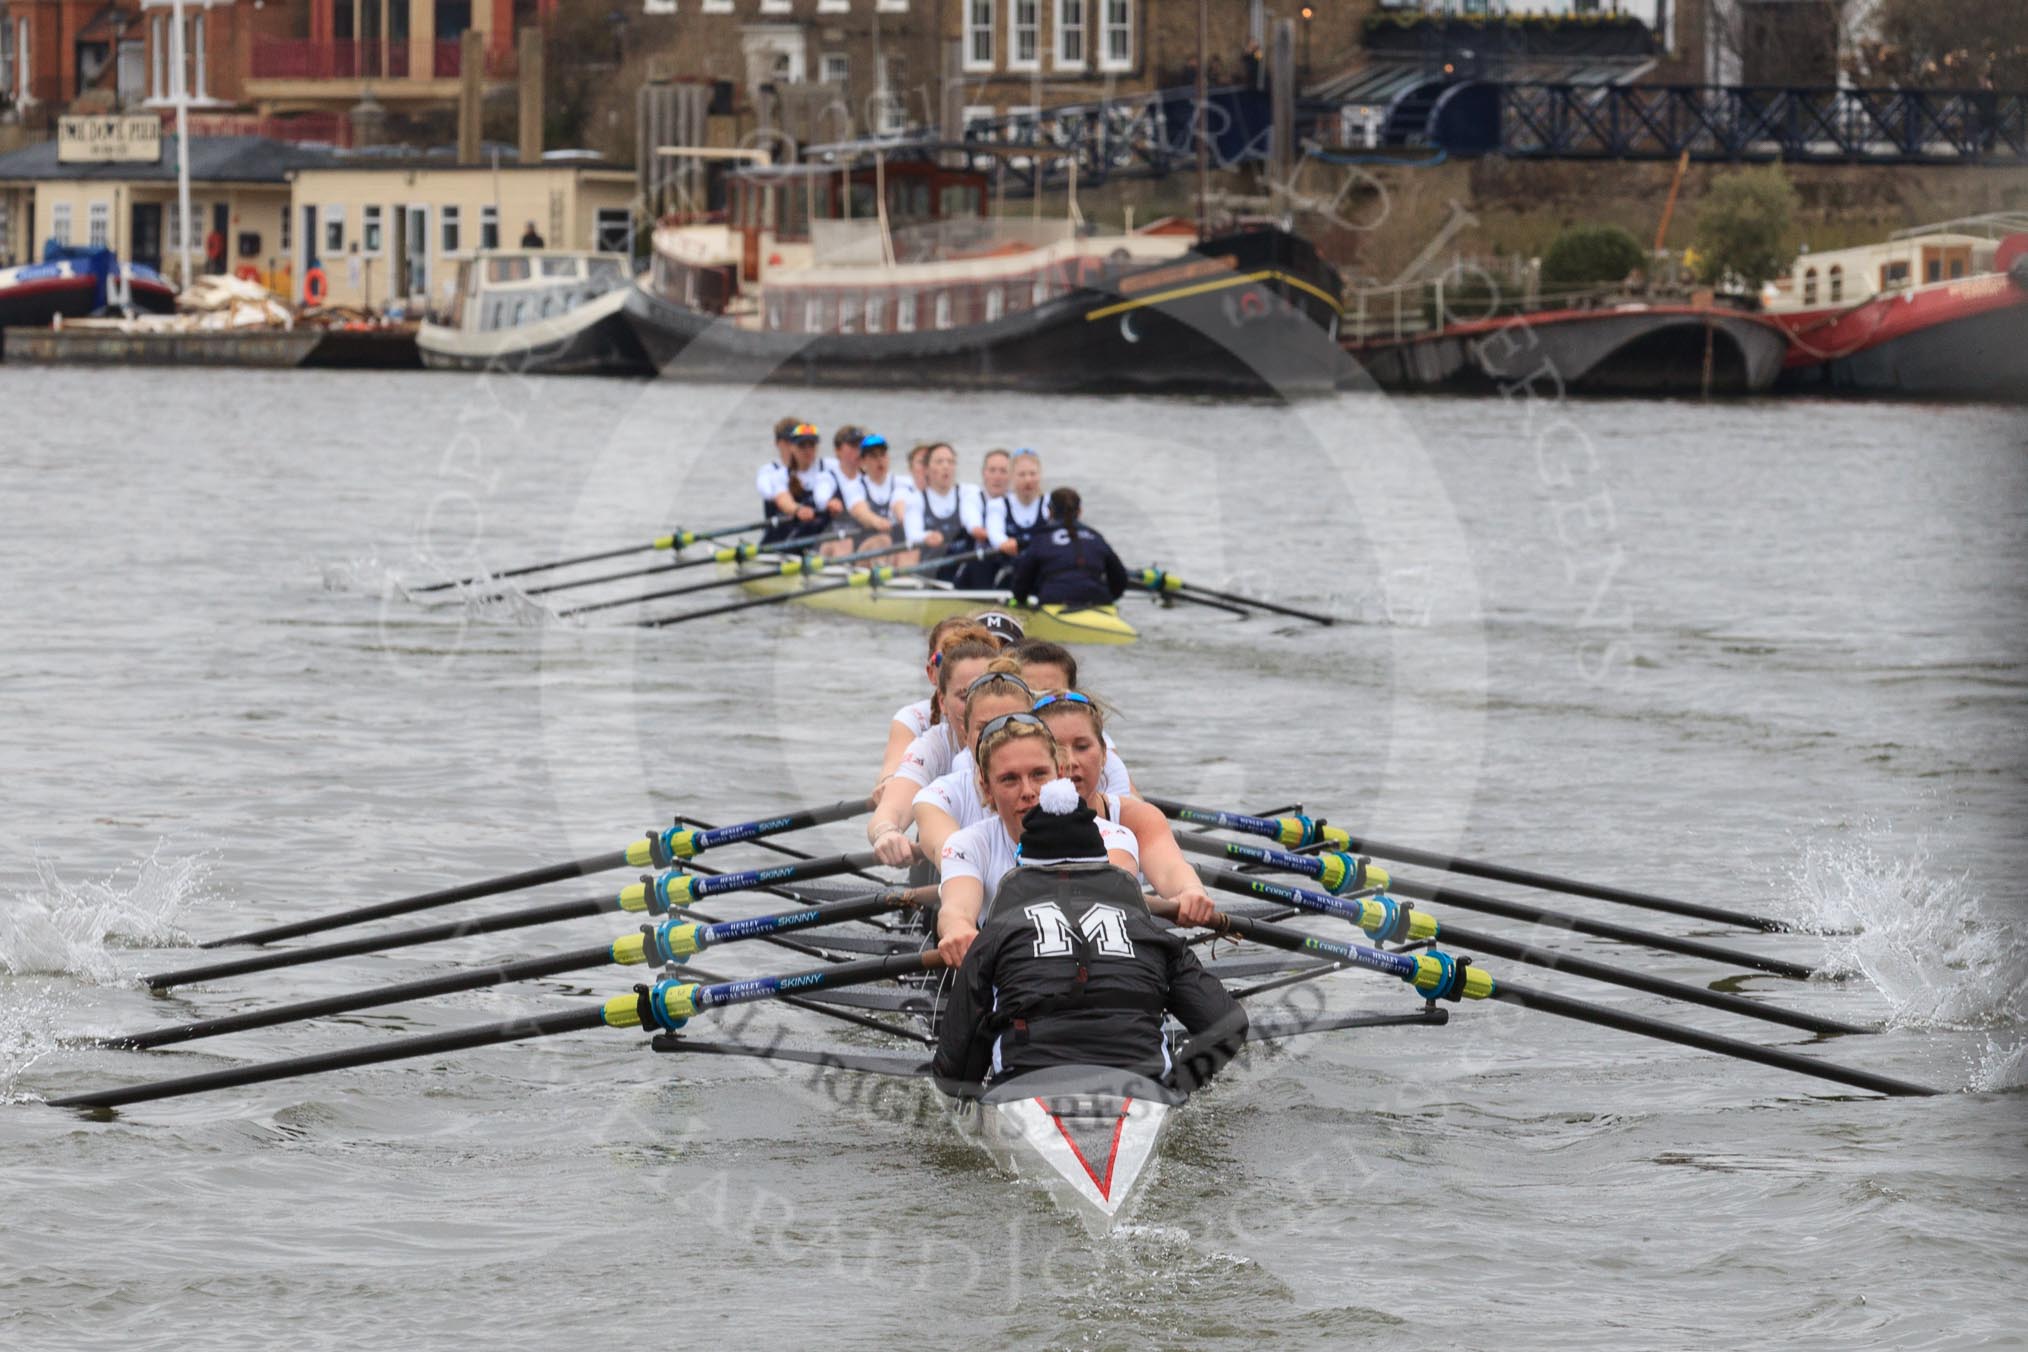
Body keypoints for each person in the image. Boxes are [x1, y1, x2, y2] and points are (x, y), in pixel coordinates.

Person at [932, 779, 1247, 1092]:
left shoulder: (994, 934)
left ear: (1023, 866)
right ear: (1102, 862)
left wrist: (973, 1094)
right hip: (1141, 1089)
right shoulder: (1153, 933)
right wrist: (1178, 1086)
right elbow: (1228, 1024)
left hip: (1027, 1088)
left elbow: (951, 1073)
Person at [930, 716, 1140, 966]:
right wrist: (958, 929)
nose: (1028, 791)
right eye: (1010, 779)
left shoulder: (1112, 837)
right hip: (1016, 985)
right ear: (986, 789)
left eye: (1039, 774)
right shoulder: (968, 845)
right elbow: (956, 908)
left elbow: (1111, 889)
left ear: (1060, 775)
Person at [867, 634, 1001, 866]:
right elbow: (891, 808)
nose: (975, 706)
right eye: (964, 695)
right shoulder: (934, 744)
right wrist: (887, 833)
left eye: (986, 692)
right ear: (942, 702)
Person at [877, 616, 1015, 794]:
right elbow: (894, 766)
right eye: (949, 654)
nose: (960, 660)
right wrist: (890, 783)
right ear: (931, 672)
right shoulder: (917, 720)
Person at [1008, 487, 1127, 608]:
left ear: (1050, 512)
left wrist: (1021, 601)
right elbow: (1121, 580)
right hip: (1098, 600)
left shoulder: (1041, 538)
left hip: (1054, 600)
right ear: (1080, 511)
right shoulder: (1096, 537)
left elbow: (1021, 583)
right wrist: (1108, 597)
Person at [756, 418, 837, 546]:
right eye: (802, 445)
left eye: (812, 445)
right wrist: (797, 509)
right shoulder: (773, 473)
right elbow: (771, 494)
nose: (808, 450)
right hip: (782, 534)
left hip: (818, 534)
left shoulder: (828, 467)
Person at [918, 443, 985, 581]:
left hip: (963, 562)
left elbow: (971, 516)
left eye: (950, 462)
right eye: (939, 462)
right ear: (926, 469)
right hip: (930, 566)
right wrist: (925, 536)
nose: (946, 466)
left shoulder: (969, 492)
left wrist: (975, 528)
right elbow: (913, 533)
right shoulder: (915, 499)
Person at [986, 449, 1050, 580]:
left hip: (1042, 568)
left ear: (1040, 475)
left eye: (1033, 474)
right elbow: (995, 534)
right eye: (1022, 474)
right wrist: (1004, 543)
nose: (1028, 480)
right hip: (1010, 568)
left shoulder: (1050, 503)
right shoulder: (998, 505)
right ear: (1011, 477)